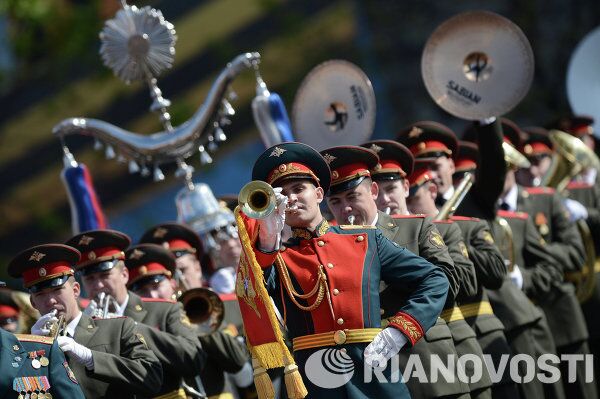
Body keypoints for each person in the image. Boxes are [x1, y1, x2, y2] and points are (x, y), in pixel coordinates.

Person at [240, 141, 449, 398]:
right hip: (319, 384)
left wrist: (401, 330)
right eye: (281, 194)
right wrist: (268, 237)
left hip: (375, 377)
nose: (291, 198)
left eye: (298, 189)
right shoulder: (275, 256)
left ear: (318, 194)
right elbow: (254, 293)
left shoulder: (366, 239)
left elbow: (434, 278)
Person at [324, 142, 469, 398]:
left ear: (374, 191)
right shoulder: (330, 246)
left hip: (426, 358)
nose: (346, 208)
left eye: (353, 197)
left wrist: (400, 328)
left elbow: (448, 284)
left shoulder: (415, 227)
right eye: (335, 201)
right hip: (373, 375)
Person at [498, 119, 595, 399]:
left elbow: (576, 255)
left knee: (581, 392)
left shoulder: (546, 200)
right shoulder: (484, 212)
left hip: (560, 318)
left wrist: (529, 263)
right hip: (521, 330)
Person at [6, 244, 162, 398]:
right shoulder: (22, 350)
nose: (51, 301)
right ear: (33, 303)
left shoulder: (117, 327)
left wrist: (90, 358)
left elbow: (152, 379)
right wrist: (34, 352)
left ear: (75, 290)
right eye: (40, 295)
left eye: (57, 290)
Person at [64, 229, 205, 399]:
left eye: (105, 275)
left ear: (124, 275)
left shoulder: (164, 309)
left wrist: (130, 327)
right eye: (90, 279)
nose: (99, 285)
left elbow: (193, 359)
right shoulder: (81, 325)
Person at [125, 242, 251, 399]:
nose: (152, 296)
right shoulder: (135, 327)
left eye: (156, 286)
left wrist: (197, 319)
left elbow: (239, 365)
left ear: (172, 284)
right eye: (143, 291)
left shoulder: (195, 309)